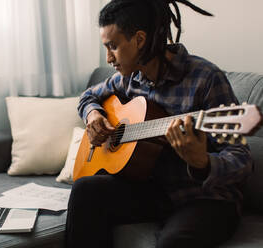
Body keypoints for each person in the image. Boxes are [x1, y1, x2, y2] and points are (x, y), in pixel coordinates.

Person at [65, 0, 253, 248]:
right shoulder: (129, 78)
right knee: (85, 190)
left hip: (205, 198)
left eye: (113, 46)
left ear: (140, 40)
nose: (108, 58)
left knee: (171, 243)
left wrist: (203, 164)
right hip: (153, 189)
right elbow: (88, 96)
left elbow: (242, 159)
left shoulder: (206, 78)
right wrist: (93, 115)